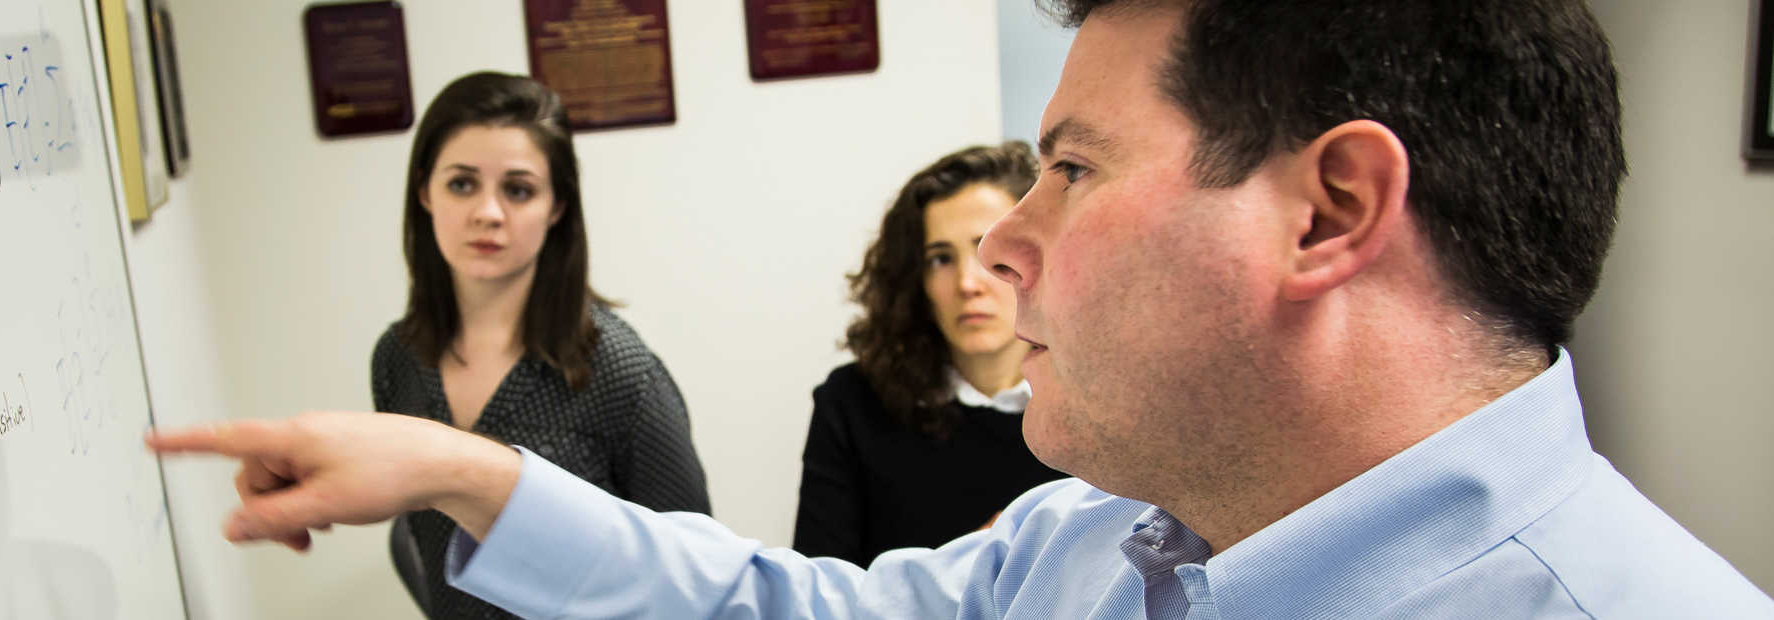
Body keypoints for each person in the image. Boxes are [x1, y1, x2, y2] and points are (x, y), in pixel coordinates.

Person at [151, 1, 1774, 617]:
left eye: (1068, 167)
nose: (1000, 254)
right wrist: (462, 472)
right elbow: (784, 609)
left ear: (1329, 213)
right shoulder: (1089, 547)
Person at [365, 71, 710, 619]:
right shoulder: (398, 359)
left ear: (556, 207)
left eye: (518, 189)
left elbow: (696, 573)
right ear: (425, 191)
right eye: (462, 183)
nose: (488, 212)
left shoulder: (621, 372)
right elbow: (422, 543)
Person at [794, 142, 1069, 567]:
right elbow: (819, 595)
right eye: (940, 259)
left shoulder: (1096, 397)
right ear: (914, 280)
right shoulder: (851, 404)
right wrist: (960, 571)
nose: (966, 283)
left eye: (987, 251)